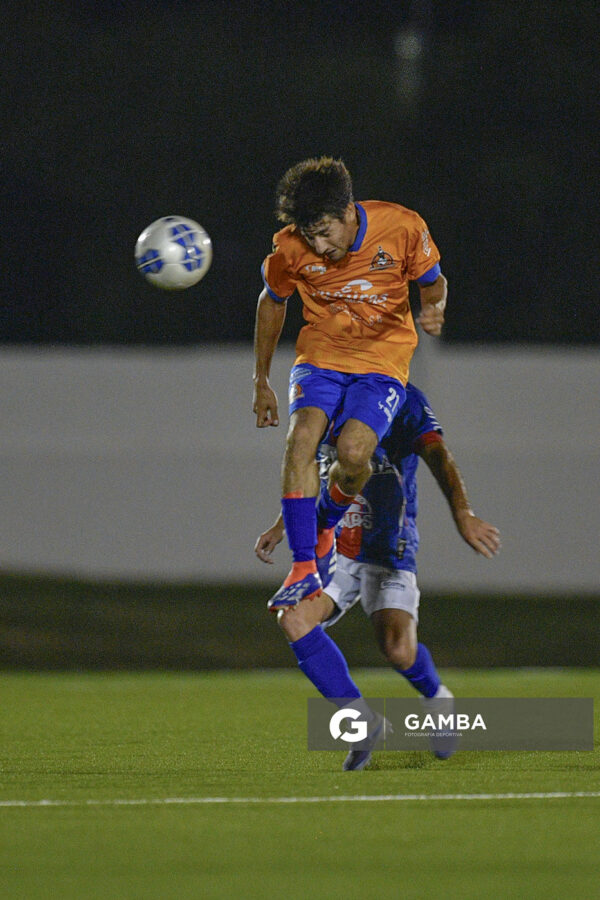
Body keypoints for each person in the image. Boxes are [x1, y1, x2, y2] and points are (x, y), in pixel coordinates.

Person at [255, 382, 501, 770]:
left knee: (398, 650)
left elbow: (439, 456)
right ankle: (363, 724)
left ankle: (438, 699)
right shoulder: (327, 389)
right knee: (294, 619)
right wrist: (283, 525)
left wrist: (463, 513)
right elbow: (312, 470)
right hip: (337, 549)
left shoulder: (402, 397)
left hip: (389, 550)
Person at [253, 156, 447, 610]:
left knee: (355, 456)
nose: (319, 247)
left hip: (382, 362)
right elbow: (272, 301)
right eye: (310, 236)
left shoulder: (402, 227)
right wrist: (261, 379)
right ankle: (305, 566)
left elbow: (433, 282)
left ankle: (324, 523)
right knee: (302, 437)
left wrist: (434, 308)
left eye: (325, 232)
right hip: (321, 356)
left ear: (347, 211)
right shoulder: (289, 249)